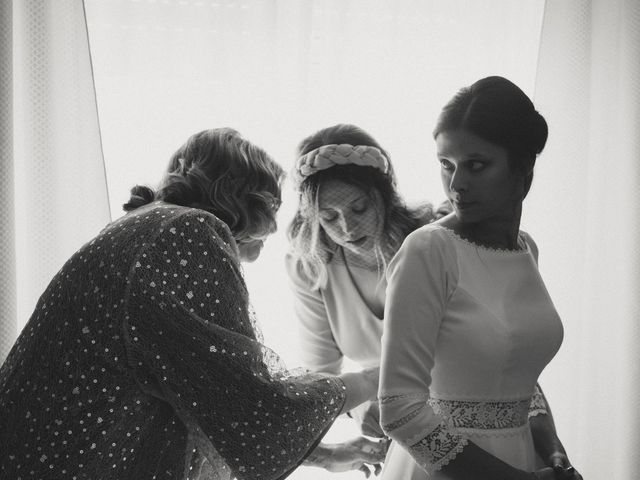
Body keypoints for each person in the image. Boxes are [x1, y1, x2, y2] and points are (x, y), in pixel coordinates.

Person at [0, 128, 385, 480]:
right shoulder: (187, 234)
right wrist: (370, 379)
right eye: (273, 204)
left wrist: (326, 455)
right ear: (253, 200)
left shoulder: (140, 229)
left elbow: (211, 402)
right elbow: (253, 410)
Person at [377, 77, 583, 480]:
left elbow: (519, 380)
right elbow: (399, 408)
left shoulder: (526, 250)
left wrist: (553, 451)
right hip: (452, 469)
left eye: (476, 165)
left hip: (525, 458)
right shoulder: (429, 251)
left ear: (523, 164)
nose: (456, 185)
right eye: (446, 164)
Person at [286, 124, 445, 438]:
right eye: (329, 217)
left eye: (359, 208)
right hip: (394, 425)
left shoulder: (431, 242)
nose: (346, 227)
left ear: (384, 197)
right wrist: (359, 408)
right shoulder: (310, 268)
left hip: (460, 402)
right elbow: (320, 377)